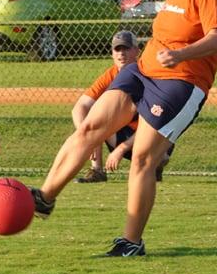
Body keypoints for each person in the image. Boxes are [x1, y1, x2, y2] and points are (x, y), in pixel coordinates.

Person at [30, 0, 217, 257]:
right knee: (90, 128)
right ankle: (45, 197)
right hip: (142, 71)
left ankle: (131, 242)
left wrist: (179, 54)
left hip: (180, 82)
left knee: (142, 160)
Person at [73, 31, 171, 183]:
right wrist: (85, 138)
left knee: (162, 149)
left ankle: (153, 165)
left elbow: (157, 124)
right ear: (112, 54)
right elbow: (80, 107)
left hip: (152, 136)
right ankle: (97, 171)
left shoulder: (148, 75)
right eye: (117, 49)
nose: (121, 54)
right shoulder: (111, 75)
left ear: (137, 51)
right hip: (125, 135)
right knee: (94, 117)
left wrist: (122, 148)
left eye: (126, 48)